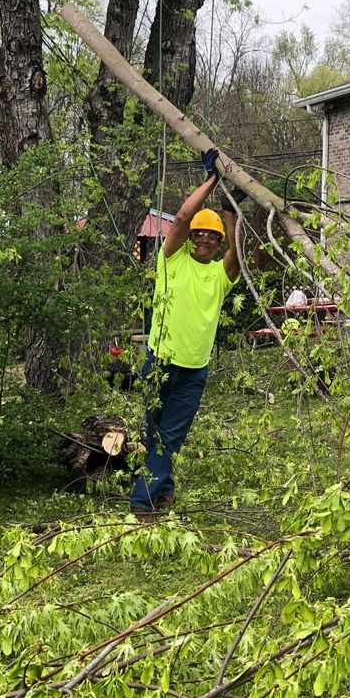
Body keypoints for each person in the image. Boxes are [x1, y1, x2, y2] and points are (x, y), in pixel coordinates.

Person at [129, 148, 245, 518]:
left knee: (168, 438)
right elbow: (180, 217)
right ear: (191, 238)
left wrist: (231, 209)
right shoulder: (170, 260)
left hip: (193, 372)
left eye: (212, 236)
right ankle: (162, 493)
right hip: (158, 363)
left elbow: (240, 251)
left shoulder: (221, 275)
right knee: (156, 435)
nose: (205, 240)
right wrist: (211, 179)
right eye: (200, 235)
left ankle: (141, 503)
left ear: (218, 241)